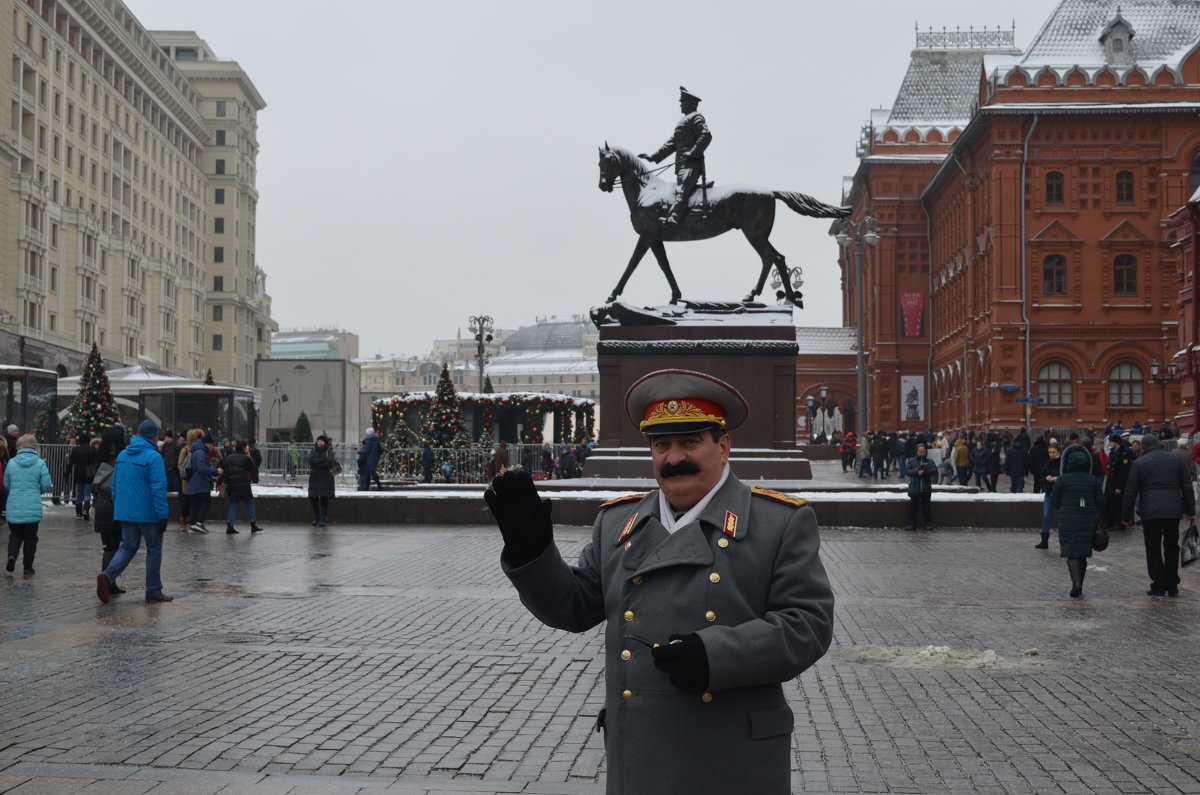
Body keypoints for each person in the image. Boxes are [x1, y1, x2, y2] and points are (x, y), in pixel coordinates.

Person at [484, 368, 834, 793]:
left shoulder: (779, 522)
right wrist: (531, 552)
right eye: (661, 445)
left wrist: (715, 655)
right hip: (640, 756)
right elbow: (574, 607)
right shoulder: (618, 523)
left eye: (690, 442)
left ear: (723, 446)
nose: (673, 458)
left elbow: (807, 625)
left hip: (731, 758)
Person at [97, 420, 172, 603]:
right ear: (154, 436)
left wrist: (119, 509)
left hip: (125, 511)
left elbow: (114, 486)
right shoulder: (153, 457)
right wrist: (162, 515)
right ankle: (153, 590)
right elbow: (158, 488)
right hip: (148, 513)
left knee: (129, 546)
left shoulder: (123, 455)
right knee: (154, 550)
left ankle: (108, 576)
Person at [1122, 432, 1196, 597]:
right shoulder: (1175, 460)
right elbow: (1187, 486)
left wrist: (1126, 516)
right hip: (1172, 509)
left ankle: (1158, 584)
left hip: (1150, 511)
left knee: (1153, 548)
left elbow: (1130, 491)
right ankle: (1172, 584)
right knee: (1171, 546)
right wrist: (1190, 511)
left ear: (1144, 447)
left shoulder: (1140, 462)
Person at [639, 87, 712, 226]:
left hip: (691, 165)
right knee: (679, 191)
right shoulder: (683, 121)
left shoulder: (696, 117)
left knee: (682, 191)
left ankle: (673, 218)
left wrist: (693, 152)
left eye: (683, 101)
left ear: (690, 103)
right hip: (682, 166)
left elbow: (706, 135)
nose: (680, 104)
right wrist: (653, 157)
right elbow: (672, 143)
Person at [1050, 446, 1105, 598]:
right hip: (1087, 519)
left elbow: (1054, 501)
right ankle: (1080, 582)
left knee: (1071, 553)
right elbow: (1101, 501)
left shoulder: (1062, 479)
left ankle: (1076, 583)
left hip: (1068, 520)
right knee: (1082, 553)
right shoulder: (1092, 480)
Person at [4, 434, 51, 574]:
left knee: (15, 535)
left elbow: (6, 484)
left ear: (20, 446)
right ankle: (27, 567)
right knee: (31, 538)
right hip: (32, 507)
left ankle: (12, 556)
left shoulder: (11, 463)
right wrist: (38, 490)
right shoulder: (40, 463)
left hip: (14, 506)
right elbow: (46, 485)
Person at [91, 425, 127, 589]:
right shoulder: (122, 457)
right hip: (118, 506)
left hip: (102, 506)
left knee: (109, 545)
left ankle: (108, 579)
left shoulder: (101, 458)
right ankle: (108, 580)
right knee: (119, 544)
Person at [220, 439, 262, 534]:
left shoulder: (229, 457)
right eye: (246, 447)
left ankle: (230, 526)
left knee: (233, 505)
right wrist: (248, 455)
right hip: (244, 484)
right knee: (249, 503)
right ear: (243, 448)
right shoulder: (246, 458)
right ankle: (253, 525)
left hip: (232, 484)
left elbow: (224, 467)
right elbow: (253, 467)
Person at [183, 430, 221, 533]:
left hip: (194, 482)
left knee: (195, 503)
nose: (212, 446)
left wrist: (211, 477)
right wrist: (216, 471)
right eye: (211, 444)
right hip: (199, 483)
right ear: (207, 443)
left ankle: (192, 524)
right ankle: (199, 522)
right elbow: (202, 468)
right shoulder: (200, 452)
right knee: (206, 502)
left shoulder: (196, 450)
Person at [1103, 434, 1134, 531]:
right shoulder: (1113, 451)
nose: (1110, 443)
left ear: (1115, 442)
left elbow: (1123, 472)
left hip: (1117, 482)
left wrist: (1119, 487)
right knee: (1109, 502)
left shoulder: (1123, 453)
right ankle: (1109, 522)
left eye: (1111, 442)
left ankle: (1119, 523)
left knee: (1117, 504)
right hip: (1111, 481)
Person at [1035, 442, 1063, 549]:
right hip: (1048, 492)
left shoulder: (1062, 463)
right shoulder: (1047, 462)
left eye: (1053, 452)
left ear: (1059, 452)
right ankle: (1044, 541)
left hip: (1060, 494)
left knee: (1061, 518)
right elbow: (1041, 477)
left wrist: (1057, 478)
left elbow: (1065, 476)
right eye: (1050, 452)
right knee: (1046, 516)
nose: (1051, 454)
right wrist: (1046, 479)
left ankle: (1063, 541)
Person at [905, 443, 935, 531]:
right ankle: (912, 524)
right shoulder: (911, 461)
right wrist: (917, 472)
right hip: (915, 487)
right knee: (913, 507)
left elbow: (934, 470)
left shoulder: (929, 461)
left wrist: (925, 472)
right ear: (917, 451)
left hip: (926, 487)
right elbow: (907, 471)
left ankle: (928, 524)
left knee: (926, 507)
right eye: (920, 451)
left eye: (923, 451)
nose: (921, 453)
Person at [176, 429, 203, 532]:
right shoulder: (185, 450)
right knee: (185, 503)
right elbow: (180, 465)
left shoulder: (199, 450)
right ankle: (184, 521)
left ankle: (193, 522)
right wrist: (188, 471)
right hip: (187, 481)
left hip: (195, 481)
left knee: (195, 503)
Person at [67, 432, 97, 519]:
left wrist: (67, 473)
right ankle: (86, 510)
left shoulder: (76, 450)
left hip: (78, 473)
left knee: (79, 492)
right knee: (87, 493)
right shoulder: (93, 450)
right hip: (89, 474)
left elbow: (71, 463)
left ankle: (78, 511)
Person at [308, 435, 337, 526]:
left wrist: (317, 464)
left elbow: (330, 462)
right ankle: (317, 517)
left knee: (324, 498)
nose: (320, 442)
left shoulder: (329, 451)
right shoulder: (313, 451)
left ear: (325, 442)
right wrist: (322, 460)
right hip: (315, 478)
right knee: (314, 498)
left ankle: (323, 519)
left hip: (326, 477)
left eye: (322, 441)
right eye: (318, 440)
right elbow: (311, 461)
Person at [160, 429, 181, 495]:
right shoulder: (164, 446)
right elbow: (163, 455)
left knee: (172, 483)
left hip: (173, 468)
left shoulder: (175, 445)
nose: (166, 439)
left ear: (170, 437)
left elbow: (178, 456)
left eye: (167, 437)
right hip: (166, 467)